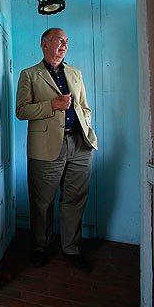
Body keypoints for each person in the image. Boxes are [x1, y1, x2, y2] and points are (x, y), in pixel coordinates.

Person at [15, 27, 98, 272]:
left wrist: (86, 125)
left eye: (67, 42)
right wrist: (52, 105)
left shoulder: (75, 72)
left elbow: (85, 107)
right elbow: (21, 111)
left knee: (75, 199)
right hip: (46, 147)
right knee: (42, 202)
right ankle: (40, 247)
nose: (64, 45)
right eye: (59, 40)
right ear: (44, 44)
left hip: (80, 145)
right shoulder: (29, 75)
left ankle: (71, 248)